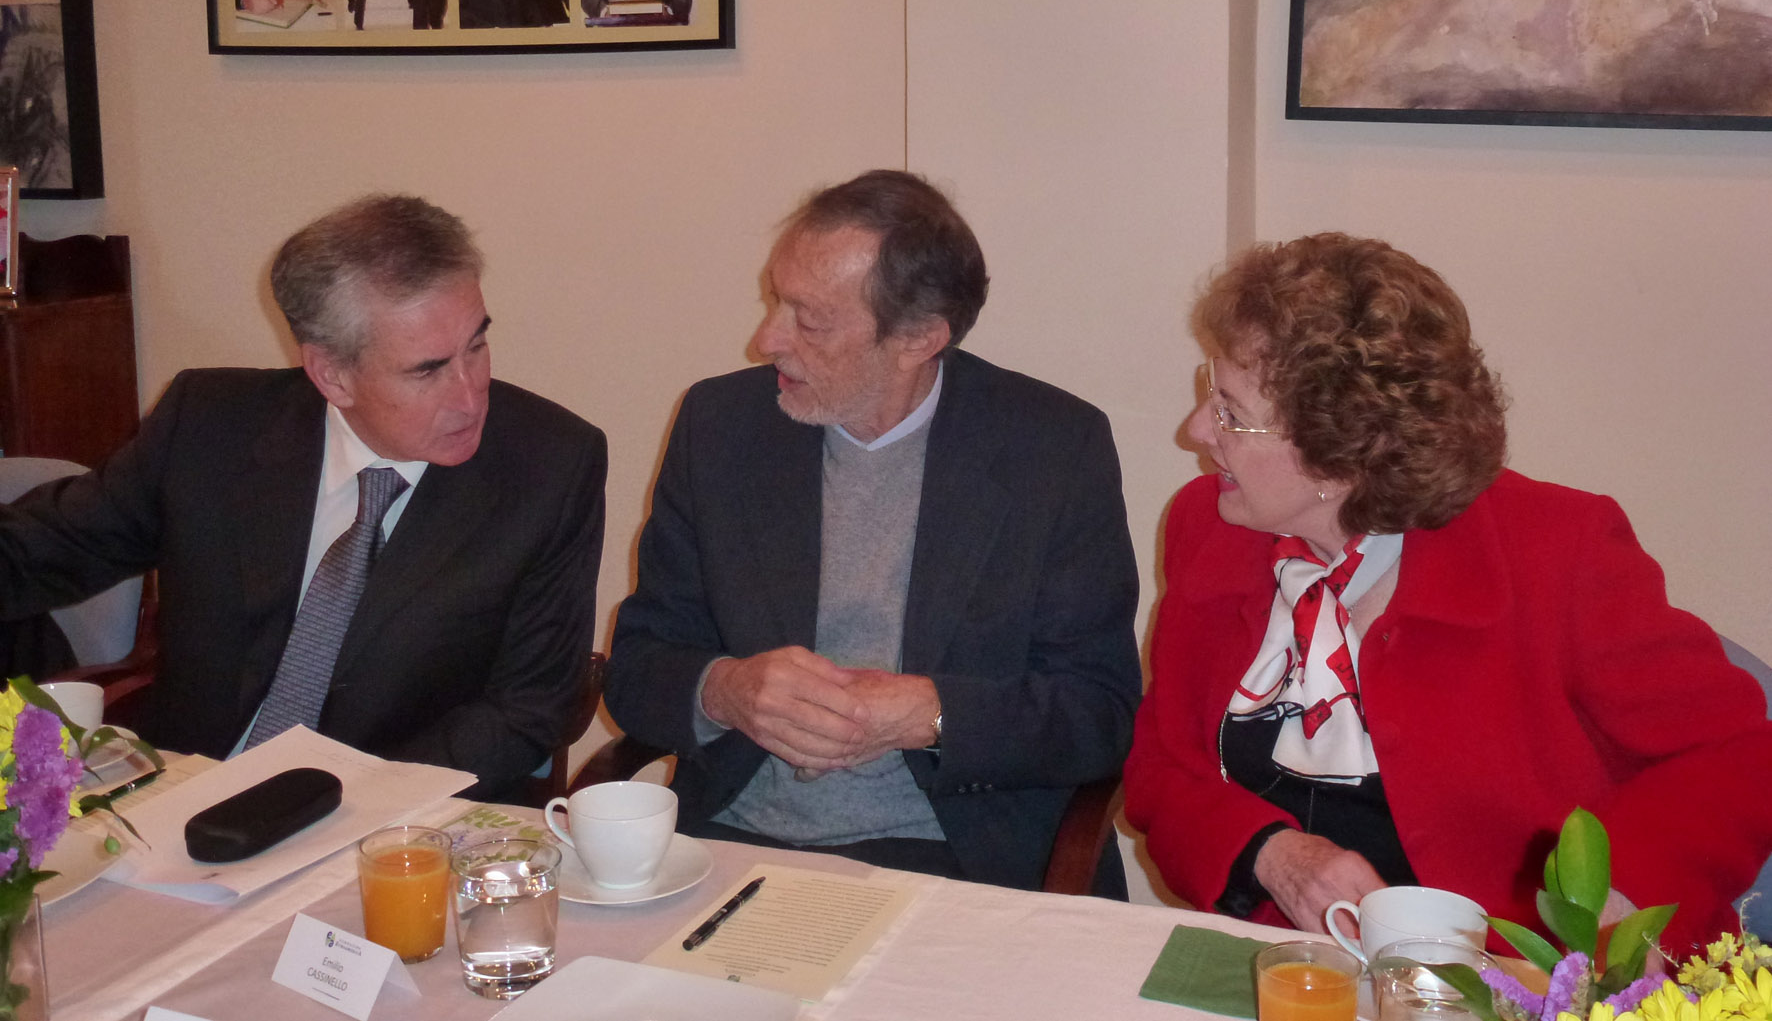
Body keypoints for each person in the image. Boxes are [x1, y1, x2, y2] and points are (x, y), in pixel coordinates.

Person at [1122, 232, 1772, 953]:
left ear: (1343, 453)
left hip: (1514, 977)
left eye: (1231, 411)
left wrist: (1610, 912)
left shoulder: (1556, 550)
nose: (1196, 430)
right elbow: (1161, 768)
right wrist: (1272, 854)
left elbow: (1736, 753)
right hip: (1284, 972)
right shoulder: (1209, 529)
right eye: (1210, 391)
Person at [605, 170, 1141, 891]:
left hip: (953, 859)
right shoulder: (722, 426)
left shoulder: (1051, 448)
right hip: (737, 839)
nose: (766, 340)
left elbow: (1099, 713)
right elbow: (638, 666)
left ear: (918, 337)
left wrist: (932, 714)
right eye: (775, 300)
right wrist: (725, 690)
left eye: (809, 321)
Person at [0, 194, 607, 800]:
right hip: (189, 794)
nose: (471, 396)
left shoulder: (549, 467)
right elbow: (40, 551)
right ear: (331, 375)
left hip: (398, 814)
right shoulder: (209, 425)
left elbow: (528, 710)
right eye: (427, 370)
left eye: (476, 346)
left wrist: (334, 803)